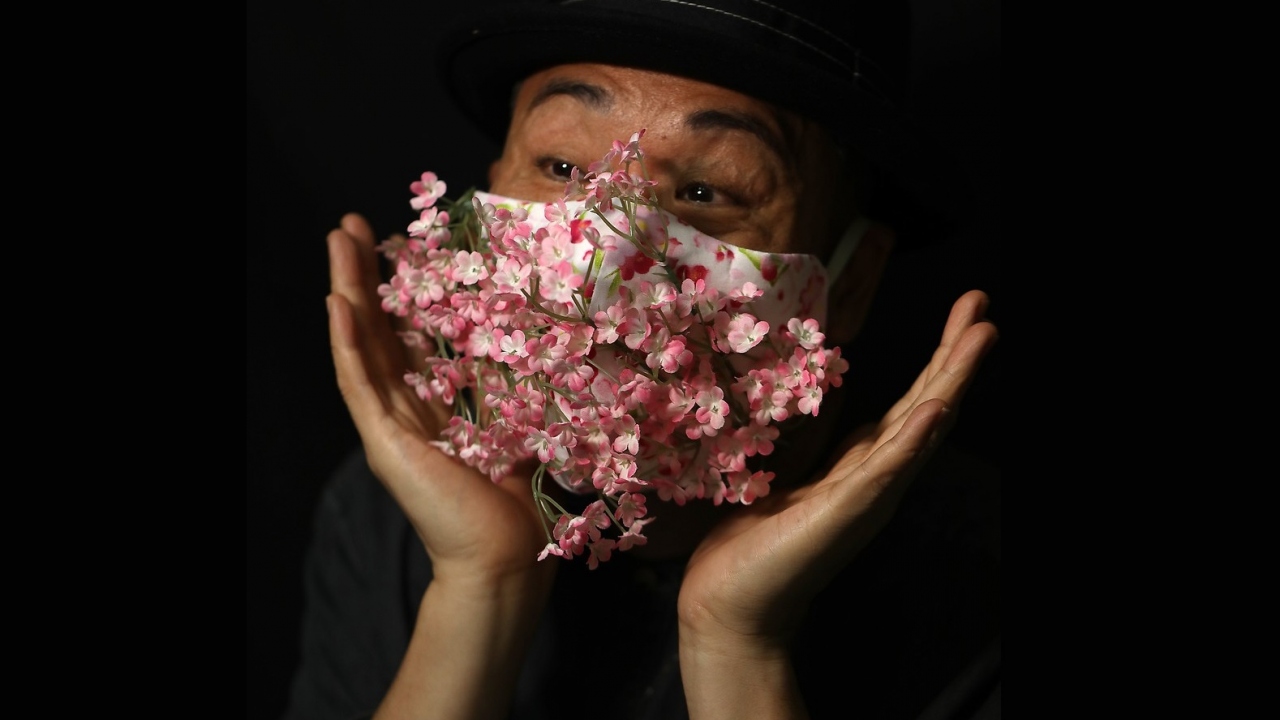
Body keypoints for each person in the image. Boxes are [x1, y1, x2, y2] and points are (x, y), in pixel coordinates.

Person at [283, 1, 999, 718]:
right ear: (492, 191)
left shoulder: (970, 576)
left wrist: (738, 649)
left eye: (705, 191)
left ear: (853, 281)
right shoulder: (387, 521)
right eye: (561, 165)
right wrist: (479, 589)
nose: (602, 259)